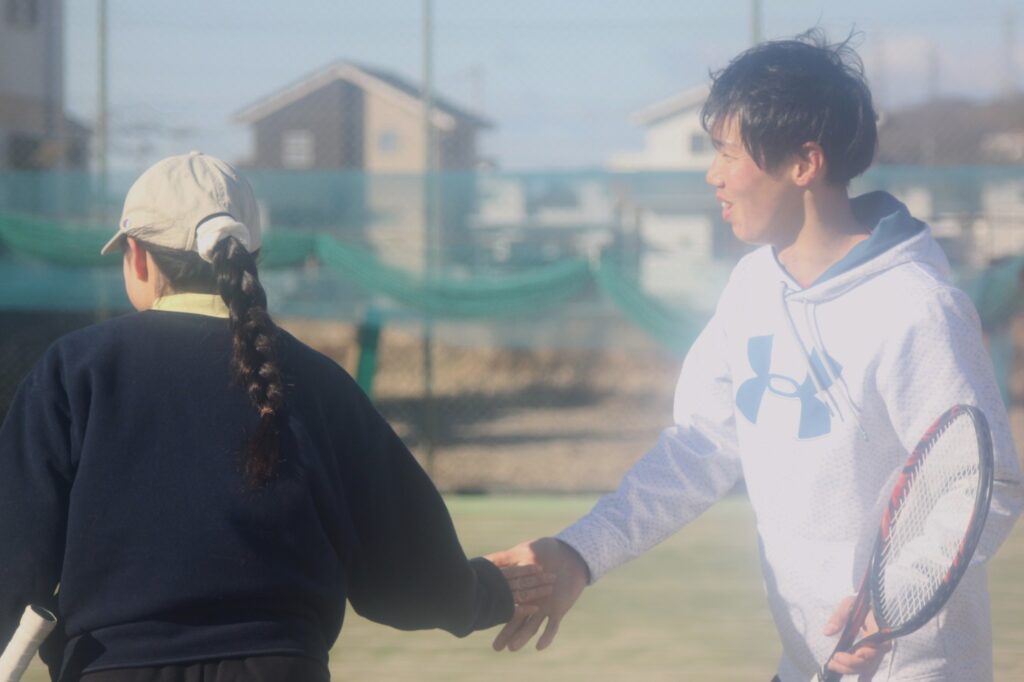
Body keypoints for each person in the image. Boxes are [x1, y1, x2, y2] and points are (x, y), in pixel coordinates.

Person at [489, 31, 1024, 681]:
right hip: (805, 666)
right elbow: (698, 448)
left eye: (728, 153)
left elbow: (985, 480)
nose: (713, 175)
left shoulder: (918, 307)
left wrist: (894, 602)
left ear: (805, 163)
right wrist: (579, 554)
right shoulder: (751, 286)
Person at [0, 152, 551, 682]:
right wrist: (485, 592)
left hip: (110, 668)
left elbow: (14, 551)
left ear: (137, 256)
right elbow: (401, 568)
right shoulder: (316, 379)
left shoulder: (73, 369)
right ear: (250, 258)